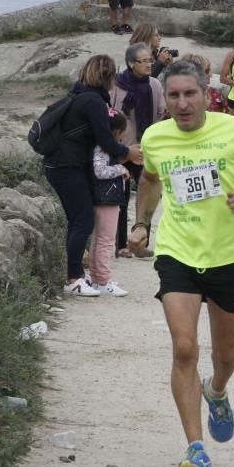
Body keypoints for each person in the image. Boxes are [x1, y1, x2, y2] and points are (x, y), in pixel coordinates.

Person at [129, 59, 234, 467]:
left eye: (189, 94)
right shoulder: (156, 137)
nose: (182, 103)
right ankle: (196, 450)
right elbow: (149, 179)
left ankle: (216, 390)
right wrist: (141, 222)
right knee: (183, 348)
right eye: (174, 96)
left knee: (224, 353)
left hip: (230, 255)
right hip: (178, 253)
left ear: (206, 94)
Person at [43, 54, 142, 297]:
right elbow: (105, 139)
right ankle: (74, 279)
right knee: (83, 221)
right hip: (67, 167)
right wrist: (127, 153)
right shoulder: (93, 102)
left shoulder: (79, 96)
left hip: (60, 166)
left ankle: (80, 277)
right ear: (109, 76)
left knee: (78, 221)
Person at [111, 42, 165, 259]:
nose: (149, 65)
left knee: (149, 196)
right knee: (121, 197)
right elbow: (111, 115)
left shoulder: (154, 85)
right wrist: (122, 146)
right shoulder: (117, 85)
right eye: (144, 61)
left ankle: (141, 242)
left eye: (150, 60)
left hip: (146, 148)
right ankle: (122, 244)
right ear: (131, 63)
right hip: (122, 148)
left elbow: (161, 112)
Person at [88, 110, 131, 297]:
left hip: (102, 198)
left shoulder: (96, 146)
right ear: (116, 132)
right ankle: (103, 280)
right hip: (107, 198)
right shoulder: (104, 147)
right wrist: (120, 168)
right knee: (106, 240)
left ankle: (97, 278)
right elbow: (99, 171)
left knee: (98, 239)